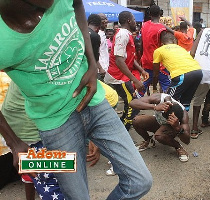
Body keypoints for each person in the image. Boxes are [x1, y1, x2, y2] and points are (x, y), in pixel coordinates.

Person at [0, 1, 152, 199]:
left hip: (94, 102)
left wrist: (91, 63)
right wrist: (14, 143)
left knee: (140, 180)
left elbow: (77, 4)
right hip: (54, 124)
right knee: (67, 192)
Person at [105, 11, 149, 130]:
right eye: (134, 20)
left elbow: (128, 58)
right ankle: (123, 132)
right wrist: (135, 80)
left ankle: (122, 128)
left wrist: (141, 70)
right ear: (129, 21)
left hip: (122, 76)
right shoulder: (122, 35)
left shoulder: (126, 34)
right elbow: (119, 60)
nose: (136, 22)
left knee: (132, 103)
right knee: (133, 105)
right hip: (118, 77)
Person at [130, 93, 191, 162]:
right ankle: (149, 141)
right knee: (136, 120)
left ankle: (178, 147)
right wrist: (154, 107)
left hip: (171, 127)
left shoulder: (184, 116)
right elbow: (132, 103)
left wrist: (177, 127)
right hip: (158, 121)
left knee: (159, 136)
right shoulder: (159, 98)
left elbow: (187, 140)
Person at [153, 31, 202, 112]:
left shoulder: (158, 50)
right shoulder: (180, 48)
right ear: (174, 41)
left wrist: (154, 87)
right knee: (186, 100)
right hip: (198, 72)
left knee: (168, 100)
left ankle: (167, 122)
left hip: (182, 74)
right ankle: (183, 120)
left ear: (162, 43)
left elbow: (155, 73)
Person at [139, 5, 170, 97]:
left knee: (144, 84)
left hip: (146, 60)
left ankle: (134, 104)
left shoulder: (144, 25)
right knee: (167, 85)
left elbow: (141, 43)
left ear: (149, 14)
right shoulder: (162, 29)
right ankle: (168, 105)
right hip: (158, 63)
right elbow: (166, 46)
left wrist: (141, 57)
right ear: (160, 14)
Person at [97, 13, 110, 80]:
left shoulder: (102, 34)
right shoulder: (98, 35)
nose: (106, 21)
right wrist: (100, 68)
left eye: (106, 18)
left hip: (105, 70)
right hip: (100, 72)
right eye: (103, 19)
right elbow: (94, 54)